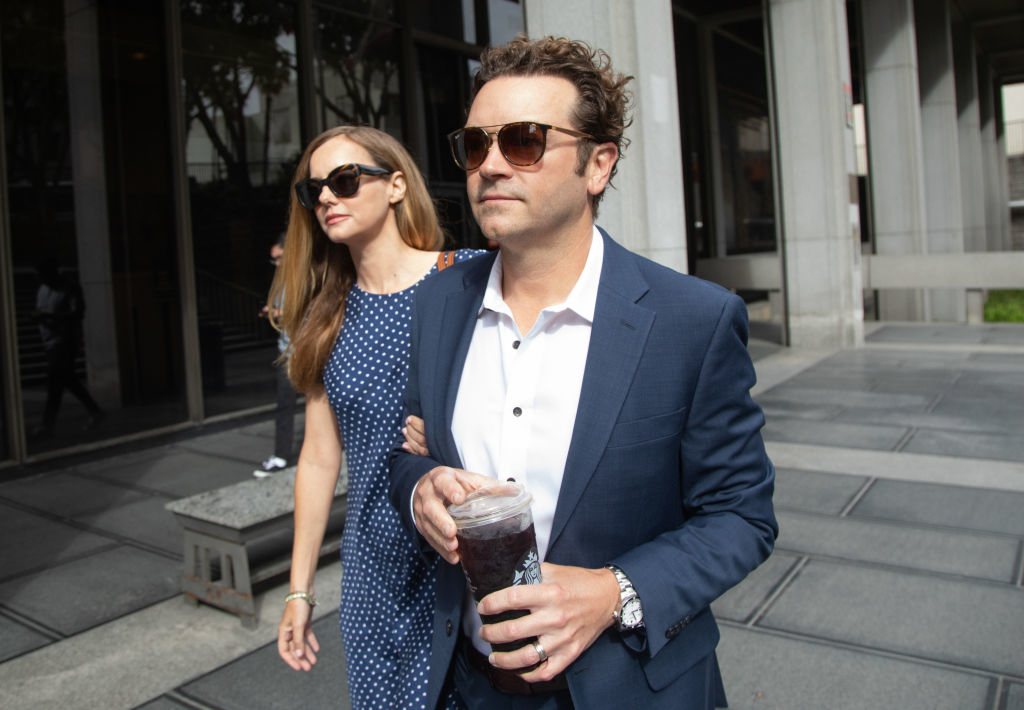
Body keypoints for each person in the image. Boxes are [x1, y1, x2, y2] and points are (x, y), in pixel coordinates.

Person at [388, 36, 778, 709]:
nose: (491, 165)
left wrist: (610, 594)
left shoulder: (693, 320)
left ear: (598, 164)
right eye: (475, 145)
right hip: (467, 684)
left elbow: (741, 517)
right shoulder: (439, 302)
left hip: (629, 686)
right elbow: (408, 453)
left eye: (524, 141)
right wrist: (420, 487)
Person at [269, 125, 481, 709]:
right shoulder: (325, 316)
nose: (328, 199)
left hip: (460, 562)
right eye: (315, 192)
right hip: (373, 577)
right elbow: (317, 460)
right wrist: (299, 592)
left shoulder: (466, 276)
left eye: (343, 180)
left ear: (394, 185)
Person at [30, 258, 104, 437]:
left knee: (55, 383)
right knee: (68, 381)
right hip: (50, 341)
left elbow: (77, 313)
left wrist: (49, 316)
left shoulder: (69, 287)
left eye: (43, 275)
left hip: (64, 342)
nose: (41, 278)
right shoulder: (42, 289)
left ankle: (47, 425)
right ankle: (95, 411)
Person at [254, 236, 297, 477]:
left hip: (306, 352)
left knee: (324, 407)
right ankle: (281, 455)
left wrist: (277, 312)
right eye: (274, 259)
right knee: (284, 405)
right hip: (286, 351)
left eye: (279, 258)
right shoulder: (280, 279)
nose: (276, 263)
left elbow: (307, 308)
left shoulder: (302, 276)